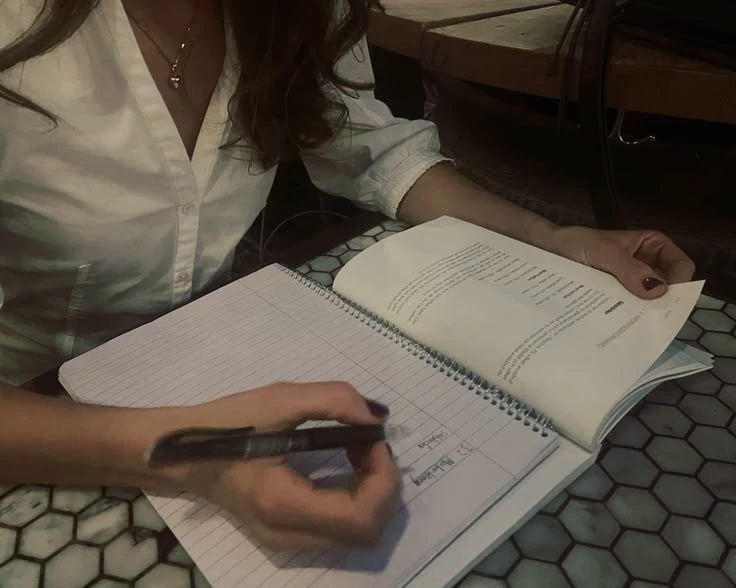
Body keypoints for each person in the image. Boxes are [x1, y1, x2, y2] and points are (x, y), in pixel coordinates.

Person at [0, 0, 695, 550]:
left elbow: (370, 149)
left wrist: (551, 237)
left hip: (216, 365)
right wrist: (190, 452)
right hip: (38, 434)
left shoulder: (300, 10)